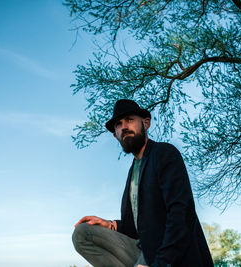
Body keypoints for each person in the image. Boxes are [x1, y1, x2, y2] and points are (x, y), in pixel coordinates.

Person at [72, 99, 213, 267]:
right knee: (82, 233)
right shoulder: (132, 174)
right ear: (115, 135)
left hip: (172, 256)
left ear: (146, 123)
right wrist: (111, 225)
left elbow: (182, 212)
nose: (124, 127)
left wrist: (161, 263)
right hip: (144, 252)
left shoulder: (164, 154)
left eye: (130, 120)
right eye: (119, 124)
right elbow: (135, 229)